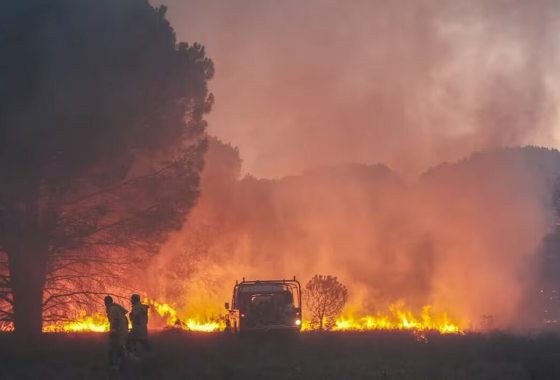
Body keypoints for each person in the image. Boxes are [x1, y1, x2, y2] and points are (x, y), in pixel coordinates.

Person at [104, 295, 129, 372]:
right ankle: (120, 363)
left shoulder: (112, 309)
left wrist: (114, 331)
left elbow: (115, 320)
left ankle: (114, 365)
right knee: (119, 347)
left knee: (113, 347)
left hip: (118, 331)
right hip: (122, 330)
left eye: (105, 301)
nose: (104, 303)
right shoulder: (116, 308)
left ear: (107, 302)